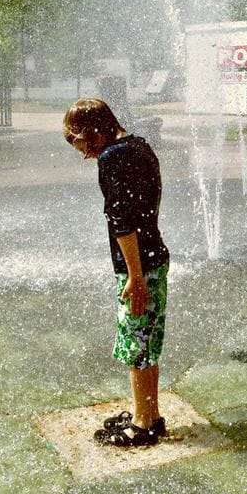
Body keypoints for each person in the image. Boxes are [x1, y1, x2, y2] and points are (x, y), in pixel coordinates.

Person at [63, 97, 170, 448]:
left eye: (78, 142)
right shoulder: (137, 144)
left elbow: (121, 221)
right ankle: (150, 414)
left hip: (139, 267)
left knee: (136, 344)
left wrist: (134, 278)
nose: (81, 153)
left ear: (94, 131)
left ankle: (141, 425)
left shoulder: (111, 157)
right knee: (147, 340)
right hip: (156, 254)